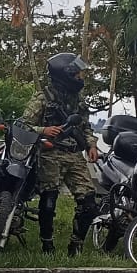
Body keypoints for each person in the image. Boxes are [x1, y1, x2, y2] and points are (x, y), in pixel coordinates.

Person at [23, 53, 98, 255]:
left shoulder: (78, 101)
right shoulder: (43, 98)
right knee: (48, 203)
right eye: (77, 74)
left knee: (90, 203)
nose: (80, 78)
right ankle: (47, 244)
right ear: (65, 75)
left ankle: (76, 244)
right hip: (50, 154)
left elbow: (86, 127)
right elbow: (23, 125)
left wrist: (91, 145)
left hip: (74, 155)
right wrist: (43, 131)